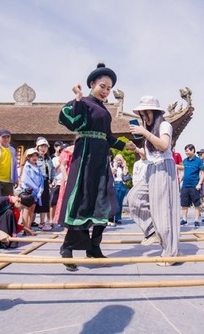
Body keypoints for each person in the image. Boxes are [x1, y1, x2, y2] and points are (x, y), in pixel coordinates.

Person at [57, 63, 134, 271]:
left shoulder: (104, 110)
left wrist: (124, 145)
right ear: (92, 84)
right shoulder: (84, 103)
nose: (106, 90)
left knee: (104, 200)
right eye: (103, 85)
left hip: (101, 158)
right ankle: (67, 248)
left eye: (109, 88)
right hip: (85, 157)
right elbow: (70, 121)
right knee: (82, 199)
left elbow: (107, 137)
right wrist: (78, 99)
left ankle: (94, 246)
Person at [127, 95, 180, 264]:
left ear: (154, 112)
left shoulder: (164, 125)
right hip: (151, 169)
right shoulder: (147, 130)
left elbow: (164, 146)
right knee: (134, 198)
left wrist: (145, 133)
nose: (143, 117)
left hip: (163, 169)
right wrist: (136, 149)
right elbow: (150, 154)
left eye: (145, 113)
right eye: (141, 114)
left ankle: (170, 254)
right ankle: (151, 230)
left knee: (163, 211)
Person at [180, 144, 204, 228]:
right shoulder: (185, 161)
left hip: (194, 185)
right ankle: (184, 219)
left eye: (187, 150)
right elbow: (183, 172)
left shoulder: (198, 161)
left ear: (193, 150)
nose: (186, 152)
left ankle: (196, 220)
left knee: (197, 204)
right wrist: (180, 180)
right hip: (185, 185)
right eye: (185, 151)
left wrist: (199, 184)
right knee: (184, 204)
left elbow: (202, 173)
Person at [20, 148, 42, 235]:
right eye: (32, 155)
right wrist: (37, 188)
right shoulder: (26, 167)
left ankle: (28, 227)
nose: (34, 157)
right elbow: (26, 180)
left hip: (36, 192)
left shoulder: (38, 167)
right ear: (28, 157)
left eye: (36, 155)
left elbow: (41, 180)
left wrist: (41, 189)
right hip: (28, 191)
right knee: (26, 209)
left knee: (32, 210)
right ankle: (25, 228)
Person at [53, 144, 74, 228]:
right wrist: (66, 178)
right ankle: (66, 220)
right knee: (67, 198)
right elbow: (62, 165)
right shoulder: (68, 150)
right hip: (69, 175)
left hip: (80, 176)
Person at [0, 129, 19, 197]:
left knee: (8, 202)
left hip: (8, 180)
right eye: (3, 137)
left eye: (8, 137)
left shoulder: (12, 150)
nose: (6, 139)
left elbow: (14, 165)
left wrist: (16, 178)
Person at [35, 137, 53, 228]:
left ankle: (42, 223)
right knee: (33, 202)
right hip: (36, 182)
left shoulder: (48, 159)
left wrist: (52, 180)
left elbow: (52, 170)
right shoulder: (35, 157)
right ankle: (28, 223)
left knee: (45, 202)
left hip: (45, 182)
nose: (43, 148)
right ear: (37, 147)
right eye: (41, 146)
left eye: (45, 146)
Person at [48, 141, 64, 229]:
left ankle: (60, 219)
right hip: (56, 182)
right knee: (53, 202)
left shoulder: (69, 158)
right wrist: (61, 161)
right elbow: (54, 169)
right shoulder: (54, 158)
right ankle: (51, 220)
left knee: (62, 202)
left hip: (64, 182)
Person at [111, 153, 129, 225]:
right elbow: (113, 173)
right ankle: (112, 217)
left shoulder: (122, 167)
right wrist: (115, 165)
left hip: (122, 184)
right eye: (117, 160)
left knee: (120, 202)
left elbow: (125, 175)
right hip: (115, 184)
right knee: (114, 202)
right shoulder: (112, 166)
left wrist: (124, 165)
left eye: (120, 160)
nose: (119, 162)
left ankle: (118, 218)